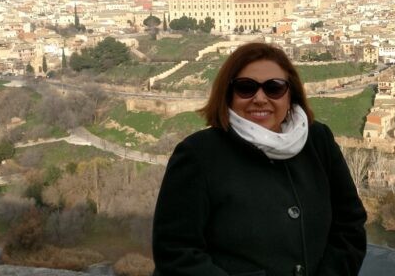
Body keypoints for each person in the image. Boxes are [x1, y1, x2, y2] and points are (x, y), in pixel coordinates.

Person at [153, 42, 367, 276]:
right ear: (228, 95)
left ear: (290, 95)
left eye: (274, 88)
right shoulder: (198, 154)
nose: (260, 98)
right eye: (246, 88)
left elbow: (349, 224)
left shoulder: (318, 140)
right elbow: (176, 251)